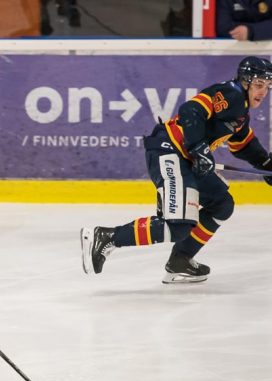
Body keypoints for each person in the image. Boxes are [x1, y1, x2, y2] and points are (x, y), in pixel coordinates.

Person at [81, 56, 272, 284]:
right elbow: (191, 110)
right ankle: (107, 237)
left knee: (221, 204)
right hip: (170, 151)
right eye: (259, 84)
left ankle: (181, 259)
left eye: (267, 86)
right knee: (178, 226)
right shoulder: (230, 94)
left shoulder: (241, 112)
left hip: (187, 160)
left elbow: (244, 144)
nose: (263, 91)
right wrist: (199, 148)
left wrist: (266, 165)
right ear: (244, 81)